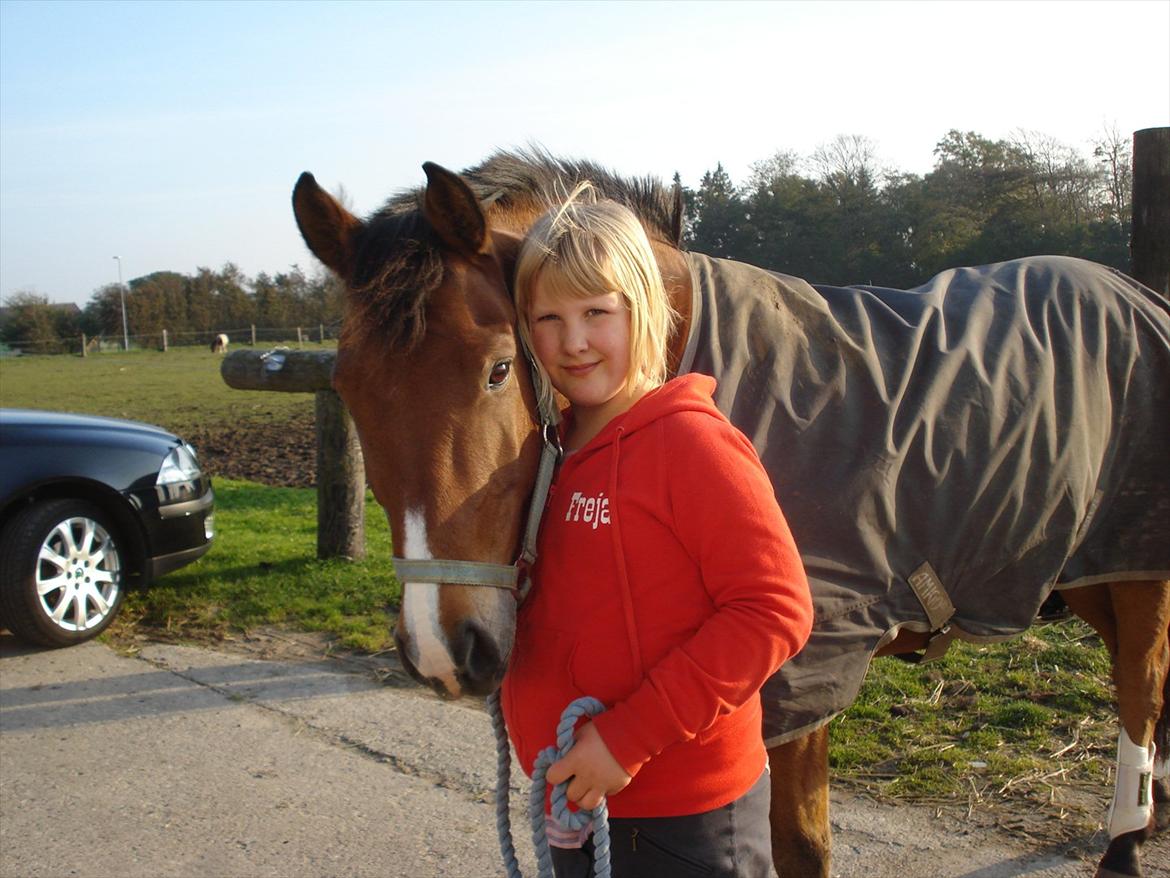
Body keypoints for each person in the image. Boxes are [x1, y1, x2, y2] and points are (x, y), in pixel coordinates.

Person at [500, 183, 814, 878]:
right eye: (549, 318)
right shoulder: (546, 452)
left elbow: (775, 610)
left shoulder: (691, 446)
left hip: (687, 819)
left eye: (595, 313)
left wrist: (625, 740)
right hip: (574, 793)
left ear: (642, 310)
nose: (573, 342)